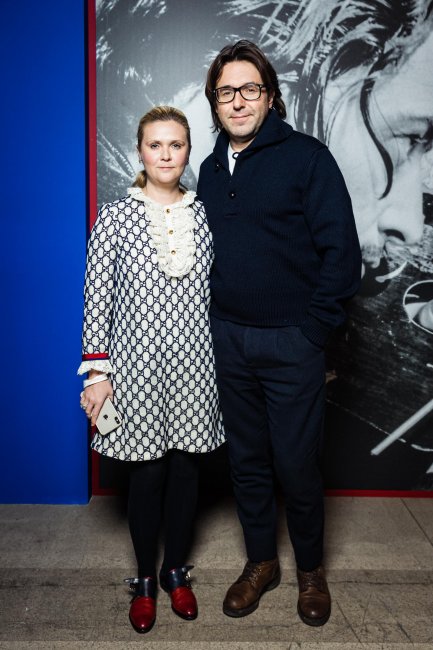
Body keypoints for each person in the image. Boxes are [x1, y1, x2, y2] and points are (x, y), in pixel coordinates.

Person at [197, 40, 361, 626]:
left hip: (292, 341)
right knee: (246, 461)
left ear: (270, 96)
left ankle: (310, 570)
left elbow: (342, 254)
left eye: (250, 89)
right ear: (215, 102)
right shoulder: (210, 169)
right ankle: (261, 562)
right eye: (226, 92)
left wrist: (312, 332)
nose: (238, 101)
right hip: (228, 340)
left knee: (296, 464)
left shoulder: (308, 158)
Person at [78, 106, 225, 634]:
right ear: (139, 151)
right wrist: (97, 374)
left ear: (188, 151)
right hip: (135, 369)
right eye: (155, 145)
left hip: (195, 366)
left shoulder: (204, 214)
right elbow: (97, 298)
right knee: (148, 474)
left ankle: (175, 572)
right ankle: (144, 579)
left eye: (176, 145)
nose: (166, 155)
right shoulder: (115, 217)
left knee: (186, 472)